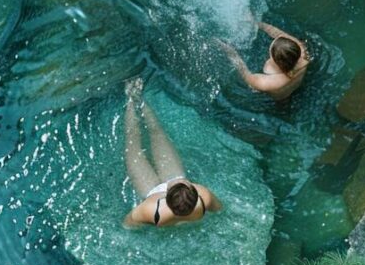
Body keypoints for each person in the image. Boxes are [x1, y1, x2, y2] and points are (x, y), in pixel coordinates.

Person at [121, 77, 222, 228]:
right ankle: (139, 98)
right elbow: (219, 211)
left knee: (133, 142)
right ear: (195, 193)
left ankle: (131, 99)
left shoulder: (150, 211)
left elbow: (127, 225)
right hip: (170, 196)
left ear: (166, 197)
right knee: (157, 133)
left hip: (151, 191)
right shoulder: (204, 198)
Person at [217, 21, 310, 100]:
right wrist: (256, 23)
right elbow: (279, 34)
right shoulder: (301, 52)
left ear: (275, 61)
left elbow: (245, 74)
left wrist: (230, 52)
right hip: (297, 86)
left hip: (280, 101)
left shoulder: (267, 82)